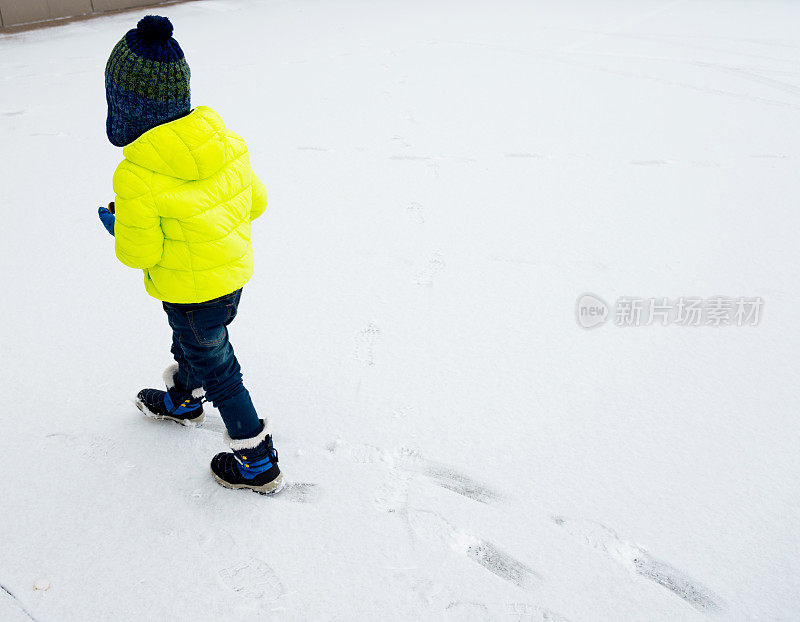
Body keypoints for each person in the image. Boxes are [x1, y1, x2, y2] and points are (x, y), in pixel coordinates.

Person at [98, 15, 282, 494]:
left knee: (221, 369)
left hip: (188, 289)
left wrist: (121, 225)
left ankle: (256, 460)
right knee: (198, 344)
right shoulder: (225, 141)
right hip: (232, 277)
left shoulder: (137, 174)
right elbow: (256, 202)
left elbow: (139, 253)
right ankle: (183, 400)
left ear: (125, 107)